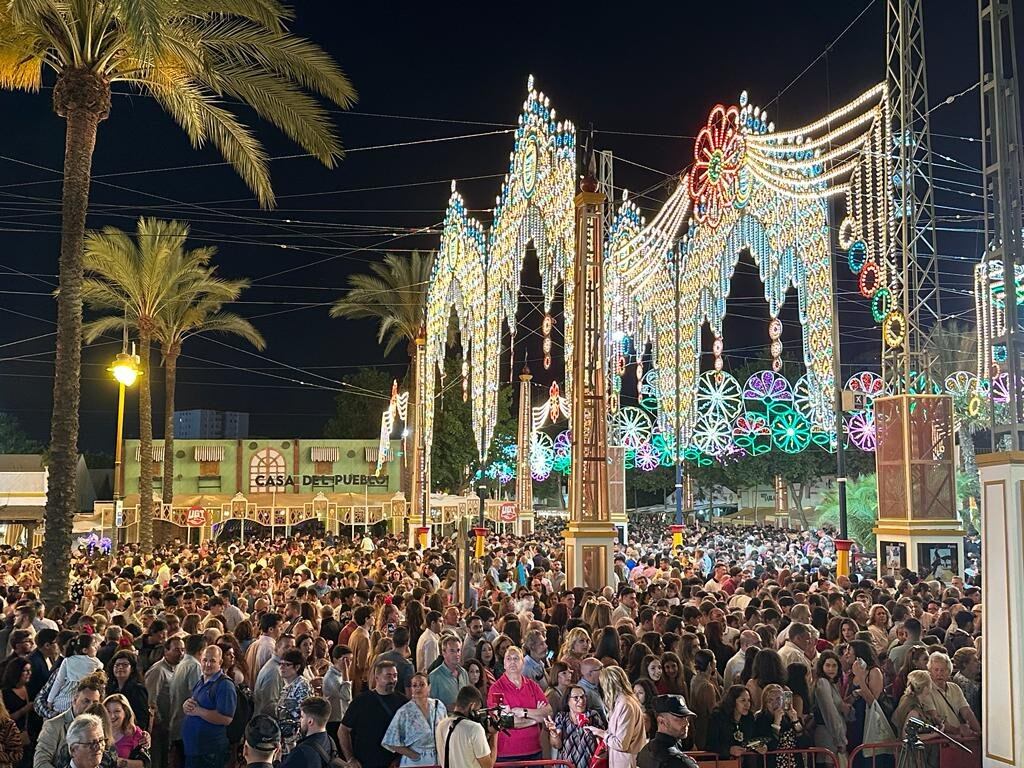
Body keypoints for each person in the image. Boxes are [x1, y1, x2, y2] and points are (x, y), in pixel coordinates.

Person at [486, 645, 551, 763]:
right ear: (504, 664)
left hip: (534, 751)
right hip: (507, 754)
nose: (512, 662)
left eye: (516, 658)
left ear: (523, 663)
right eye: (508, 658)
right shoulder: (496, 689)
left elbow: (548, 713)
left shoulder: (533, 686)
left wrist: (524, 712)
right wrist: (535, 719)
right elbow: (505, 722)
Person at [338, 660, 407, 768]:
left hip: (392, 763)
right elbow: (343, 730)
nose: (393, 680)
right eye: (388, 676)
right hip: (365, 762)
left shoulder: (403, 701)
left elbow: (409, 733)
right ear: (377, 678)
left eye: (395, 676)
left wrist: (401, 758)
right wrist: (350, 759)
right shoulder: (361, 701)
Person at [181, 646, 236, 768]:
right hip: (194, 750)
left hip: (210, 752)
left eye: (212, 661)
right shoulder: (202, 680)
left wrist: (198, 711)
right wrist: (186, 706)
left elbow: (226, 718)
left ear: (220, 662)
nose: (208, 664)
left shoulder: (225, 685)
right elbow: (195, 705)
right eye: (205, 660)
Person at [35, 673, 106, 768]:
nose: (90, 706)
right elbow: (40, 763)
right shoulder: (53, 726)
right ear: (75, 700)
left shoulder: (99, 726)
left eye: (95, 703)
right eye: (86, 701)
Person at [584, 666, 646, 768]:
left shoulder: (625, 704)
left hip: (626, 763)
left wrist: (601, 733)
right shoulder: (621, 702)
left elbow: (621, 744)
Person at [382, 673, 446, 767]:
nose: (418, 688)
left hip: (438, 758)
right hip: (415, 760)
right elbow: (390, 741)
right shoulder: (404, 711)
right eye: (414, 685)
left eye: (422, 684)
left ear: (429, 687)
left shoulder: (438, 705)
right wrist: (413, 755)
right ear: (411, 689)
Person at [434, 685, 497, 768]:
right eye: (477, 710)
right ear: (472, 706)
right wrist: (494, 734)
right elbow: (488, 766)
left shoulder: (441, 725)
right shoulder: (474, 728)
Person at [543, 684, 606, 766]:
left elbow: (602, 743)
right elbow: (557, 745)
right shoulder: (561, 717)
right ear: (568, 700)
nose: (581, 701)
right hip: (567, 765)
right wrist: (554, 734)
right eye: (576, 698)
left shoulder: (593, 715)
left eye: (583, 697)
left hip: (589, 764)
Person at [143, 637, 182, 768]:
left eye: (183, 650)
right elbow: (150, 700)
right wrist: (159, 722)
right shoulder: (158, 671)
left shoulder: (177, 668)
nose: (181, 653)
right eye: (177, 650)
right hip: (159, 727)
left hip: (170, 725)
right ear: (166, 651)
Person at [167, 636, 205, 768]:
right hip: (187, 724)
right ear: (201, 651)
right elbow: (197, 695)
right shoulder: (194, 666)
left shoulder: (182, 663)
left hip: (178, 722)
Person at [636, 695, 700, 768]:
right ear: (661, 721)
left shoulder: (644, 752)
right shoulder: (679, 762)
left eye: (686, 718)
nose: (686, 723)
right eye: (679, 718)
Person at [47, 636, 103, 717]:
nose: (96, 648)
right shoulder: (95, 662)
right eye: (94, 646)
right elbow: (101, 667)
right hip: (82, 702)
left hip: (63, 702)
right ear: (85, 650)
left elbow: (58, 681)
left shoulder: (67, 660)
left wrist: (50, 701)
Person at [706, 685, 760, 762]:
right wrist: (729, 750)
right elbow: (710, 744)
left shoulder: (749, 718)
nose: (747, 704)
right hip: (722, 763)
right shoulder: (718, 716)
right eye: (743, 700)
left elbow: (753, 739)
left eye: (749, 700)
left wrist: (759, 745)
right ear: (732, 701)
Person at [812, 651, 848, 764]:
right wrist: (840, 740)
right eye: (827, 665)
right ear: (822, 667)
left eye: (834, 666)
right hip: (828, 735)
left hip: (832, 733)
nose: (831, 669)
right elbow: (830, 712)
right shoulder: (823, 683)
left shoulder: (831, 683)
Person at [753, 684, 802, 768]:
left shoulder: (789, 716)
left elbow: (805, 743)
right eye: (770, 700)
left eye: (778, 699)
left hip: (793, 763)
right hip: (772, 763)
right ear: (765, 704)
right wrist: (776, 723)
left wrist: (795, 721)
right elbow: (771, 746)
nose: (775, 703)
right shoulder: (760, 718)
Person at [274, 650, 311, 757]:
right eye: (281, 664)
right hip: (285, 741)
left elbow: (305, 717)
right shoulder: (287, 686)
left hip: (296, 743)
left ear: (297, 667)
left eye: (287, 665)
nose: (282, 667)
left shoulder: (302, 685)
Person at [280, 697, 335, 768]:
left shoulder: (302, 752)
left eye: (302, 717)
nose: (300, 720)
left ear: (310, 721)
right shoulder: (330, 741)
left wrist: (277, 760)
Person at [106, 654, 150, 733]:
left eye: (125, 665)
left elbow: (142, 719)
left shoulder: (138, 689)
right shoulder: (111, 688)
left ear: (132, 669)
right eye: (117, 665)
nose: (120, 667)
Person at [103, 694, 150, 768]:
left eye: (117, 711)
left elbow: (145, 764)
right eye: (108, 711)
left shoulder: (135, 732)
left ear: (125, 712)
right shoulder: (97, 732)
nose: (112, 716)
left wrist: (118, 762)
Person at [320, 646, 351, 748]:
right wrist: (346, 673)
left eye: (350, 660)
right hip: (334, 720)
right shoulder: (331, 677)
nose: (348, 664)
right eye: (345, 660)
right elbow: (346, 696)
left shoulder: (340, 674)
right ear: (335, 660)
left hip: (342, 717)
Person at [427, 637, 468, 710]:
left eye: (458, 650)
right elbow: (430, 705)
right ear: (444, 653)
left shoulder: (464, 673)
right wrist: (446, 707)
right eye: (452, 651)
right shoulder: (434, 676)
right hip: (445, 719)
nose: (457, 654)